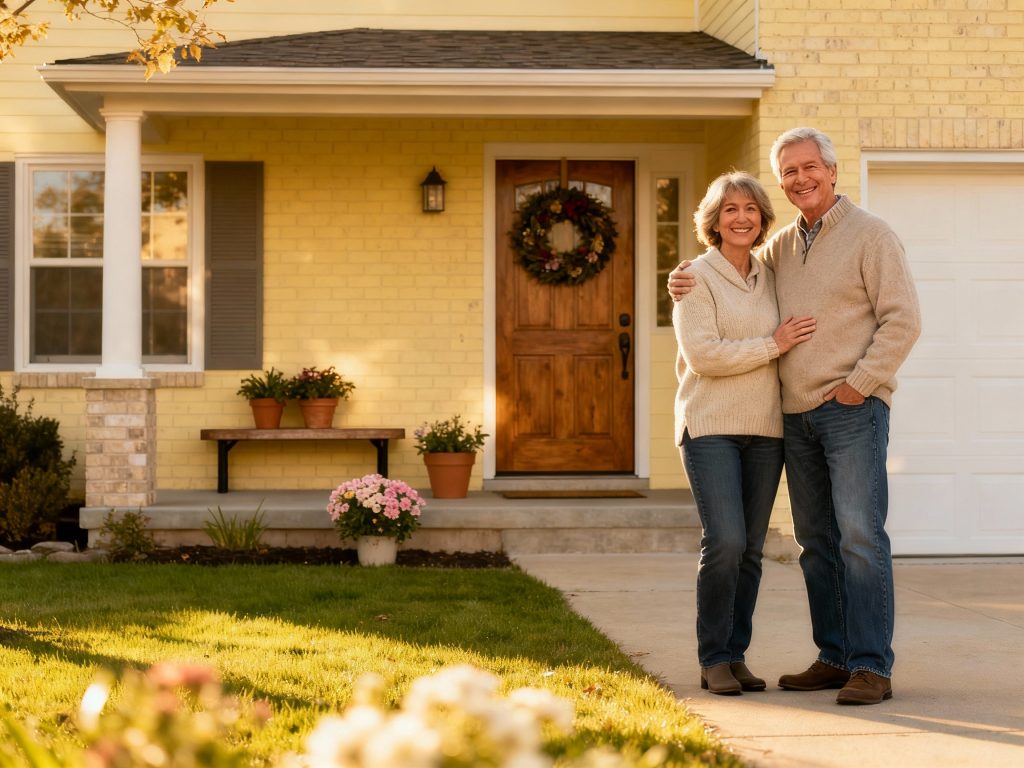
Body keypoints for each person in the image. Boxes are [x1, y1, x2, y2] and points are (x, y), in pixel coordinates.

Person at [668, 128, 922, 705]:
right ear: (782, 184)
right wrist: (681, 278)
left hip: (851, 409)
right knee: (816, 542)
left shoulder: (872, 235)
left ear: (832, 171)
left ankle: (870, 666)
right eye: (789, 171)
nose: (801, 178)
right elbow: (723, 279)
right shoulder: (780, 249)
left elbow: (903, 319)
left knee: (859, 536)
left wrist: (860, 385)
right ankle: (834, 656)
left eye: (810, 167)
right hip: (795, 417)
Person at [674, 171, 815, 695]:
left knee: (751, 549)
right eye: (730, 209)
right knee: (726, 541)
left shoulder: (771, 274)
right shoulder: (695, 277)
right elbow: (704, 356)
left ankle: (735, 656)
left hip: (766, 429)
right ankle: (713, 657)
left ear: (762, 219)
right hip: (710, 426)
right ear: (714, 221)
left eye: (751, 209)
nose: (741, 218)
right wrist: (774, 345)